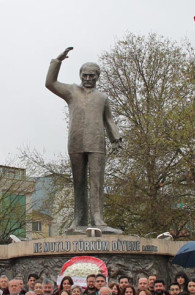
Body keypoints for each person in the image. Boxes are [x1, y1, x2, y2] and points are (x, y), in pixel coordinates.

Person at [45, 46, 122, 233]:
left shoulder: (102, 98)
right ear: (80, 75)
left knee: (97, 183)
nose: (88, 79)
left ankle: (98, 220)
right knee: (78, 182)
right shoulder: (71, 91)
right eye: (85, 75)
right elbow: (50, 83)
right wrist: (57, 61)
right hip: (76, 142)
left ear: (97, 77)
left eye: (91, 76)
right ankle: (79, 221)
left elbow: (109, 119)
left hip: (97, 143)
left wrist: (115, 138)